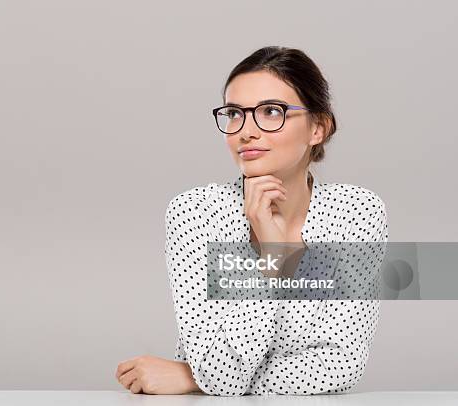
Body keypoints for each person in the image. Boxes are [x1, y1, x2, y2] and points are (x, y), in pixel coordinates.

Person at [115, 46, 388, 396]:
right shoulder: (195, 213)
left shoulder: (356, 213)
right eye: (234, 114)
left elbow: (343, 365)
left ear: (318, 128)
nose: (245, 131)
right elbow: (220, 374)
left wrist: (191, 378)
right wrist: (274, 265)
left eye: (271, 112)